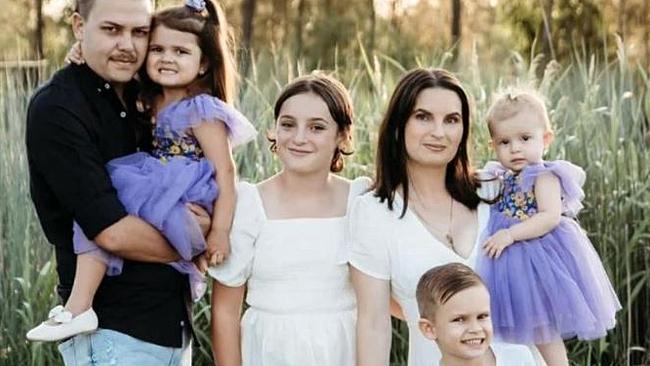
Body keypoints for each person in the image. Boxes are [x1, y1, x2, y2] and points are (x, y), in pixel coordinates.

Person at [26, 0, 256, 343]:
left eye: (140, 33)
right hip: (116, 333)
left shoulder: (153, 95)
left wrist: (215, 229)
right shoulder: (61, 108)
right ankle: (78, 308)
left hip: (171, 324)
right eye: (111, 29)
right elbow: (111, 233)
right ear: (79, 27)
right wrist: (193, 240)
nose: (128, 45)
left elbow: (225, 171)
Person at [349, 68, 537, 366]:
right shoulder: (373, 213)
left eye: (451, 120)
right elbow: (374, 324)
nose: (439, 132)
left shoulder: (495, 191)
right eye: (423, 117)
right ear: (399, 125)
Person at [209, 74, 369, 366]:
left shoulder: (359, 200)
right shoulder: (249, 203)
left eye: (317, 127)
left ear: (342, 135)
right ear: (274, 130)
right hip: (269, 349)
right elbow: (225, 312)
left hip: (342, 349)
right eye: (288, 124)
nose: (298, 138)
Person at [476, 89, 621, 366]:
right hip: (506, 264)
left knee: (542, 325)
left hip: (538, 257)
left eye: (525, 138)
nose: (515, 148)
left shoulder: (543, 175)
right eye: (504, 141)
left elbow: (549, 216)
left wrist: (509, 235)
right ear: (493, 146)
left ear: (546, 139)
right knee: (514, 333)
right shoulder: (500, 175)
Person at [416, 263, 536, 366]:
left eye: (482, 316)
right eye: (459, 319)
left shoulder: (519, 358)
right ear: (429, 329)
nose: (475, 329)